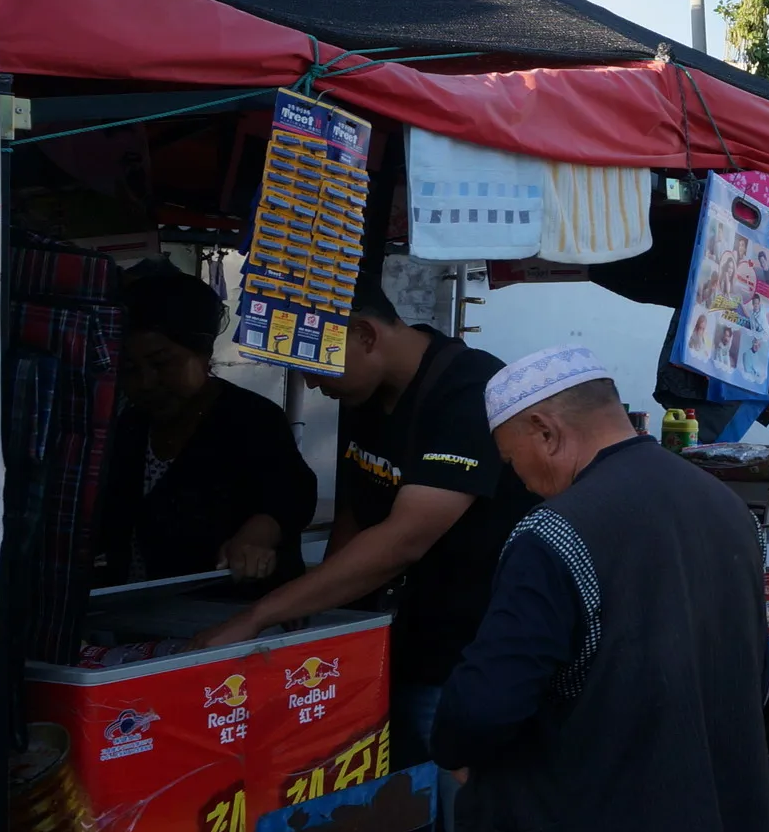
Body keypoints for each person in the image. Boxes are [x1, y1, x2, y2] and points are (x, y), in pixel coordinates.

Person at [432, 347, 769, 832]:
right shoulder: (722, 503)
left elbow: (480, 709)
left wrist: (457, 751)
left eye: (515, 457)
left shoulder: (555, 535)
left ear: (547, 430)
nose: (519, 479)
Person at [196, 277, 537, 788]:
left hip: (465, 657)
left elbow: (403, 539)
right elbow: (359, 509)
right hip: (396, 646)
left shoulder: (470, 390)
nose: (310, 385)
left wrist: (261, 615)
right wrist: (325, 620)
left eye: (313, 369)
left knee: (444, 825)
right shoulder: (365, 394)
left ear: (365, 335)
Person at [96, 260, 316, 589]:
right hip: (138, 616)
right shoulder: (128, 426)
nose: (145, 382)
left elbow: (290, 494)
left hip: (228, 618)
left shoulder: (251, 419)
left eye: (161, 363)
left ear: (204, 351)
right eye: (129, 367)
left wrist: (258, 533)